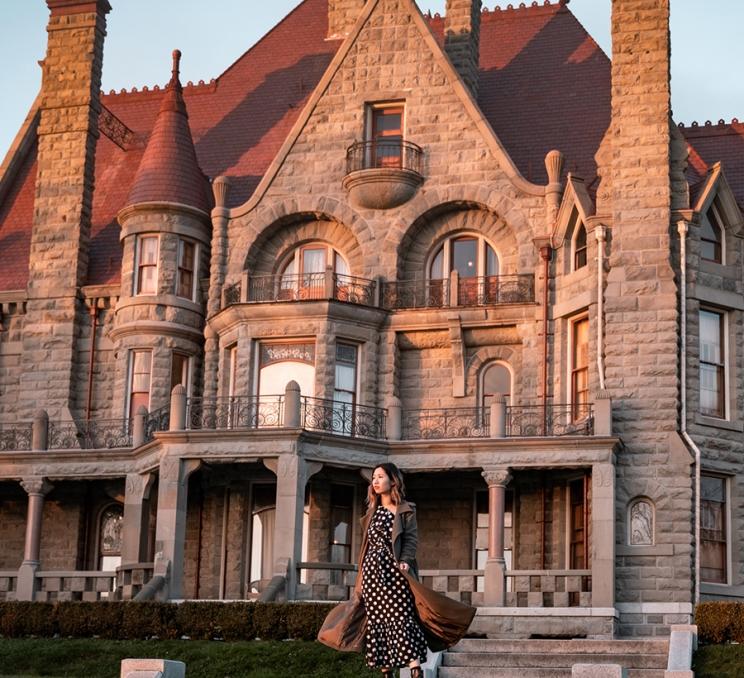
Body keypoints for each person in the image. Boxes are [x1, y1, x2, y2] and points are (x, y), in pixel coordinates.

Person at [360, 463, 427, 678]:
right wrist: (361, 576)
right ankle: (387, 672)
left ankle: (415, 669)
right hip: (372, 573)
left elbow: (411, 539)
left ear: (393, 481)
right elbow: (366, 546)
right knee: (377, 619)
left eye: (380, 476)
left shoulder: (405, 509)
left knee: (401, 615)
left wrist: (406, 560)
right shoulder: (371, 513)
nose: (376, 481)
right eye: (374, 478)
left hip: (395, 570)